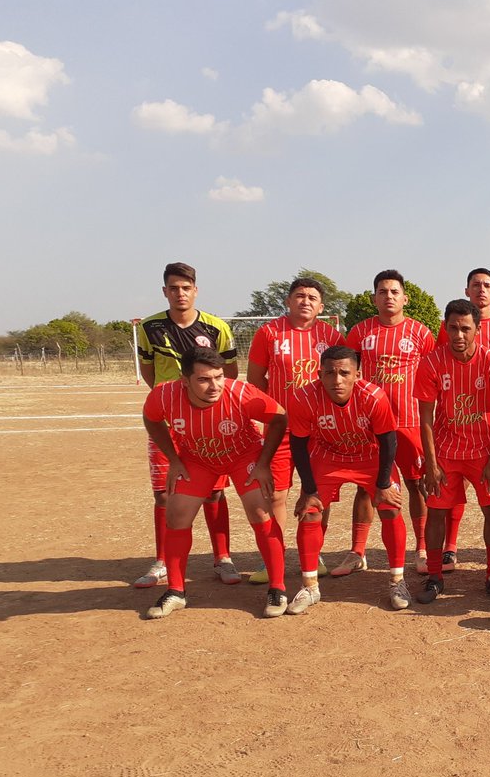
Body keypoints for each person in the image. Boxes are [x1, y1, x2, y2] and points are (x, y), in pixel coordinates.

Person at [140, 348, 288, 619]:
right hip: (198, 459)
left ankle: (277, 588)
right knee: (176, 513)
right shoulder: (163, 395)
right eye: (204, 379)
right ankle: (176, 591)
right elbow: (151, 419)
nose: (214, 386)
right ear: (185, 381)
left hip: (244, 456)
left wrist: (264, 463)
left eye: (218, 377)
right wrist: (174, 459)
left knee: (260, 510)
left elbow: (279, 418)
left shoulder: (241, 393)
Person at [134, 262, 240, 589]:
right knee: (164, 494)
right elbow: (149, 373)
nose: (180, 293)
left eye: (186, 287)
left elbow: (230, 374)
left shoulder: (216, 327)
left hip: (209, 423)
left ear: (195, 290)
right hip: (168, 422)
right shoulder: (149, 328)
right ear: (164, 291)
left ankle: (223, 557)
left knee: (214, 492)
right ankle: (163, 560)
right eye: (173, 288)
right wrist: (171, 400)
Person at [286, 346, 411, 615]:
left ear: (357, 374)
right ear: (319, 374)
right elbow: (298, 445)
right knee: (310, 511)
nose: (337, 380)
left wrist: (383, 485)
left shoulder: (374, 397)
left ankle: (397, 582)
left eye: (344, 373)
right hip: (328, 456)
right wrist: (309, 489)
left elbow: (389, 441)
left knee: (391, 508)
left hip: (370, 455)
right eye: (329, 373)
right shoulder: (303, 398)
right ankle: (309, 586)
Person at [246, 276, 344, 584]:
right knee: (276, 494)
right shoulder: (269, 333)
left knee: (316, 493)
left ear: (321, 306)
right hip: (282, 429)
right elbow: (255, 380)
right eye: (300, 295)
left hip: (320, 429)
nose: (305, 301)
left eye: (312, 297)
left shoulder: (331, 335)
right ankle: (272, 558)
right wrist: (275, 410)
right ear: (288, 301)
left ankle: (313, 554)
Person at [416, 299, 490, 603]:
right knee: (436, 511)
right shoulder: (431, 362)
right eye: (453, 328)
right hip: (446, 449)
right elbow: (426, 417)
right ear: (445, 328)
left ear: (477, 329)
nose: (459, 334)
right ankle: (434, 577)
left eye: (465, 328)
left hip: (484, 449)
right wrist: (431, 464)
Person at [345, 270, 436, 579]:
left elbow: (432, 374)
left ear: (405, 298)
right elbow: (348, 371)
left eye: (394, 292)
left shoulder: (420, 333)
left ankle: (421, 548)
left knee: (416, 484)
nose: (389, 296)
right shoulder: (360, 332)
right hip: (369, 422)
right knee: (366, 486)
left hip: (410, 421)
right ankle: (357, 551)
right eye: (382, 292)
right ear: (374, 298)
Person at [438, 268, 490, 573]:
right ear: (467, 290)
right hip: (458, 419)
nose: (481, 290)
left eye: (487, 285)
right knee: (453, 485)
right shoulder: (451, 326)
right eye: (475, 285)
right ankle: (450, 546)